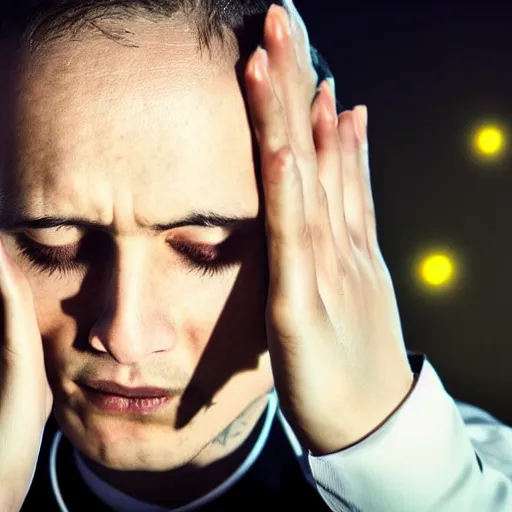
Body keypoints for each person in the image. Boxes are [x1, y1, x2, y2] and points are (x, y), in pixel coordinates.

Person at [0, 0, 510, 510]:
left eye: (205, 250)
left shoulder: (470, 481)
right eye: (55, 244)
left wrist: (385, 450)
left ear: (325, 229)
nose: (125, 338)